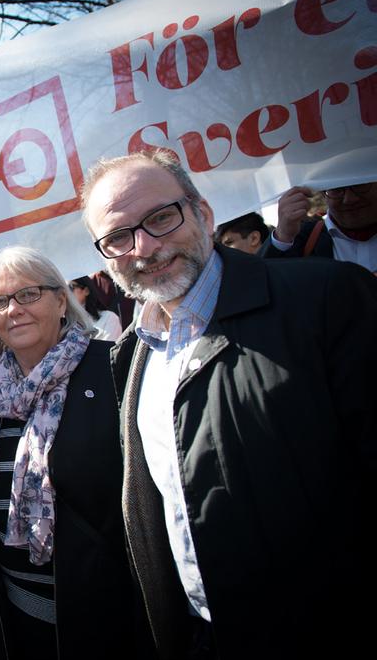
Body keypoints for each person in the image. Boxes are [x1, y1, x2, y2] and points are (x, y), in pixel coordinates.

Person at [81, 150, 376, 658]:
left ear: (203, 212)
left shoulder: (327, 300)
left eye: (160, 218)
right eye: (118, 237)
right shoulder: (132, 355)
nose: (145, 247)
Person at [0, 247, 146, 659]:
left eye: (28, 294)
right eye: (0, 302)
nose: (14, 310)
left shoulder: (112, 370)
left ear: (61, 300)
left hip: (108, 619)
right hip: (17, 620)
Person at [261, 181, 376, 271]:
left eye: (359, 185)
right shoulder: (303, 238)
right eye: (336, 189)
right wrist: (282, 235)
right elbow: (259, 284)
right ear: (323, 193)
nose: (349, 199)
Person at [68, 275, 123, 341]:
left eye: (70, 287)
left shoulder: (108, 318)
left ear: (86, 291)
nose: (66, 292)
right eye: (63, 288)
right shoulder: (60, 323)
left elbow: (109, 349)